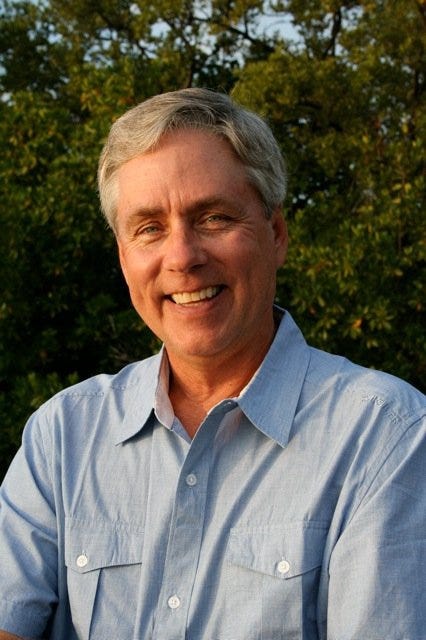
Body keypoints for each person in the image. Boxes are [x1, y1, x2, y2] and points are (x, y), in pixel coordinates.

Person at [0, 88, 425, 640]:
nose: (182, 257)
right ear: (124, 258)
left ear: (276, 234)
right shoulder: (62, 436)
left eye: (214, 218)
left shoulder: (385, 437)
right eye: (149, 228)